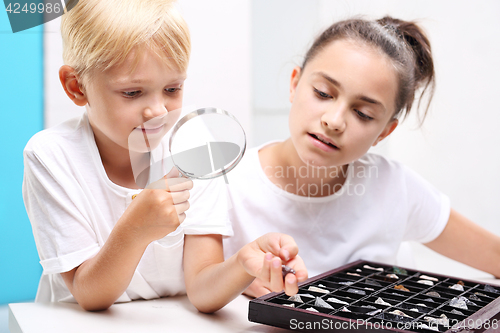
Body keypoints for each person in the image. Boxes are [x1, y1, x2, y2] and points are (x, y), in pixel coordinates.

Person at [22, 0, 306, 313]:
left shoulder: (195, 144)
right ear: (76, 87)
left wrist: (243, 263)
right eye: (132, 93)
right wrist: (134, 230)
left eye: (172, 89)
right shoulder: (51, 156)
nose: (158, 110)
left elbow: (201, 289)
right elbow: (88, 294)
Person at [223, 16, 500, 297]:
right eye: (323, 93)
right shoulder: (228, 185)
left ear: (384, 132)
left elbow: (494, 255)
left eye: (363, 114)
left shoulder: (393, 187)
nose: (334, 121)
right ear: (295, 83)